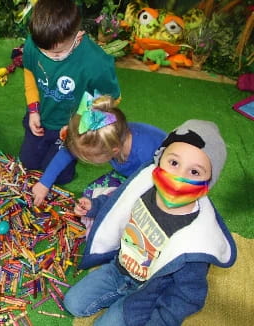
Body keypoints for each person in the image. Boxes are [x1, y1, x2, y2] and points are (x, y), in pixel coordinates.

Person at [63, 120, 237, 325]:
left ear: (209, 182)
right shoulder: (145, 184)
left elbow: (187, 296)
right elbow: (118, 201)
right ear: (160, 158)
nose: (178, 177)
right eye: (174, 163)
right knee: (72, 303)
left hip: (149, 294)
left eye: (194, 172)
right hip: (118, 270)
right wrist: (93, 206)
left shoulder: (197, 239)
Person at [19, 0, 120, 185]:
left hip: (71, 124)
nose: (50, 56)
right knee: (28, 163)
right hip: (42, 117)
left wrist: (80, 124)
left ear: (78, 35)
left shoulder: (96, 62)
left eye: (57, 53)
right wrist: (33, 110)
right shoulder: (34, 42)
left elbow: (111, 99)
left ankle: (67, 151)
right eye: (44, 51)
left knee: (60, 177)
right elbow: (30, 74)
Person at [32, 92, 166, 207]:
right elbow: (68, 150)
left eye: (90, 157)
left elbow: (161, 187)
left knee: (117, 207)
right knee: (90, 195)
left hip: (158, 183)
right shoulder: (106, 136)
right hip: (130, 176)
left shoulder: (146, 152)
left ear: (113, 151)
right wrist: (44, 183)